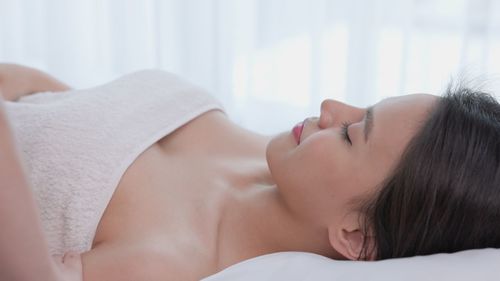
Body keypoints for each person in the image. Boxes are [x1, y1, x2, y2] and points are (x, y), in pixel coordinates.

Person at [1, 63, 499, 281]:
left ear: (355, 238)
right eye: (360, 107)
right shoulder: (260, 149)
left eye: (350, 133)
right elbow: (58, 102)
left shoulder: (164, 262)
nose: (329, 107)